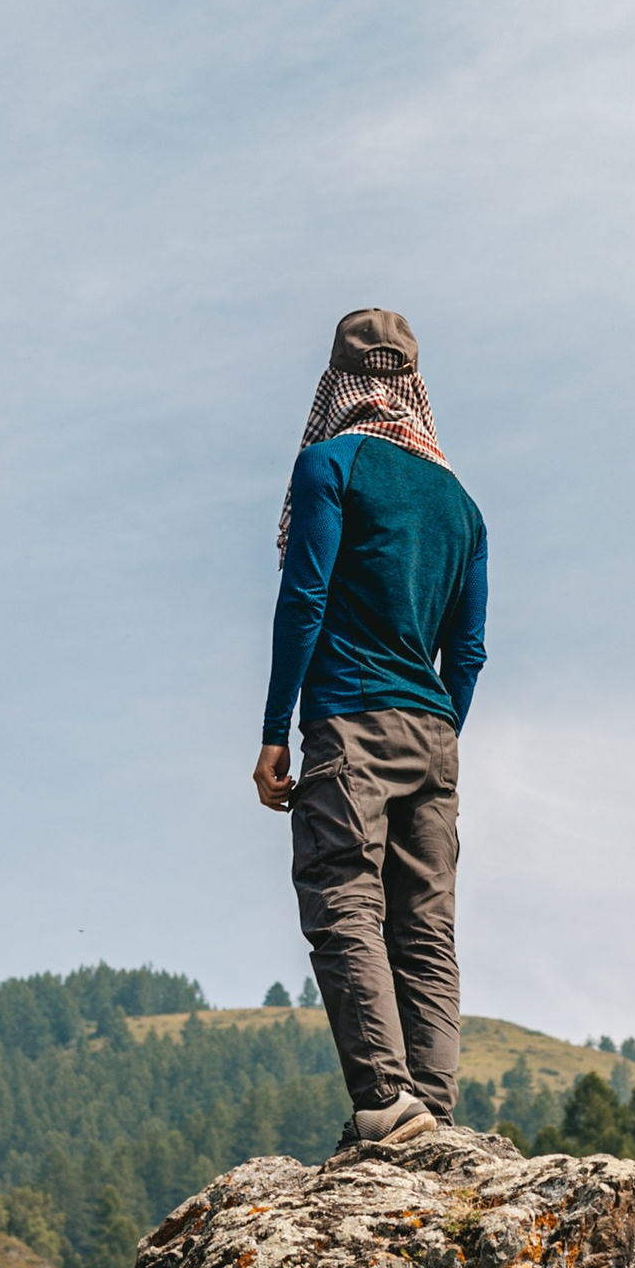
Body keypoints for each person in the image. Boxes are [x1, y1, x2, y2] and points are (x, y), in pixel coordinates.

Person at [254, 307, 488, 1152]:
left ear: (339, 383)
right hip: (434, 730)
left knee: (343, 899)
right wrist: (438, 730)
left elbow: (304, 598)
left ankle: (387, 1102)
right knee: (426, 923)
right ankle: (436, 1107)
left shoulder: (329, 463)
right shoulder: (462, 505)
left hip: (351, 721)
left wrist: (276, 729)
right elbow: (468, 650)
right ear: (412, 385)